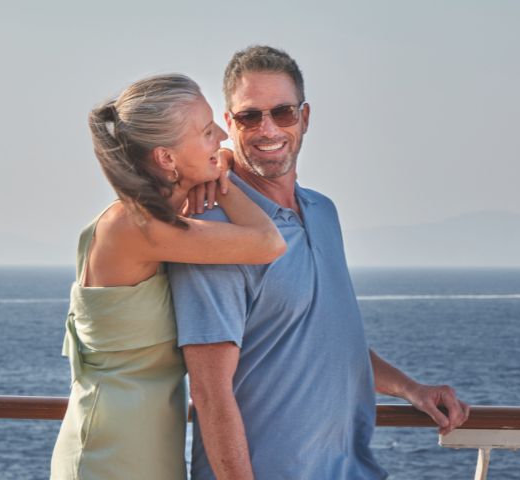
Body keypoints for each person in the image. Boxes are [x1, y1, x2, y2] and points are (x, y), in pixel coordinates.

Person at [169, 45, 470, 480]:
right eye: (250, 116)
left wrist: (411, 389)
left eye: (283, 112)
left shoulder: (324, 213)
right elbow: (210, 392)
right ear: (230, 125)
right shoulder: (213, 230)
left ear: (304, 118)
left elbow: (326, 342)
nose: (267, 128)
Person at [50, 74, 286, 480]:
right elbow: (267, 242)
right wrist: (223, 181)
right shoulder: (132, 227)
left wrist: (213, 168)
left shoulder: (161, 223)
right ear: (165, 158)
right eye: (206, 131)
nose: (222, 139)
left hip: (152, 451)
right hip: (109, 454)